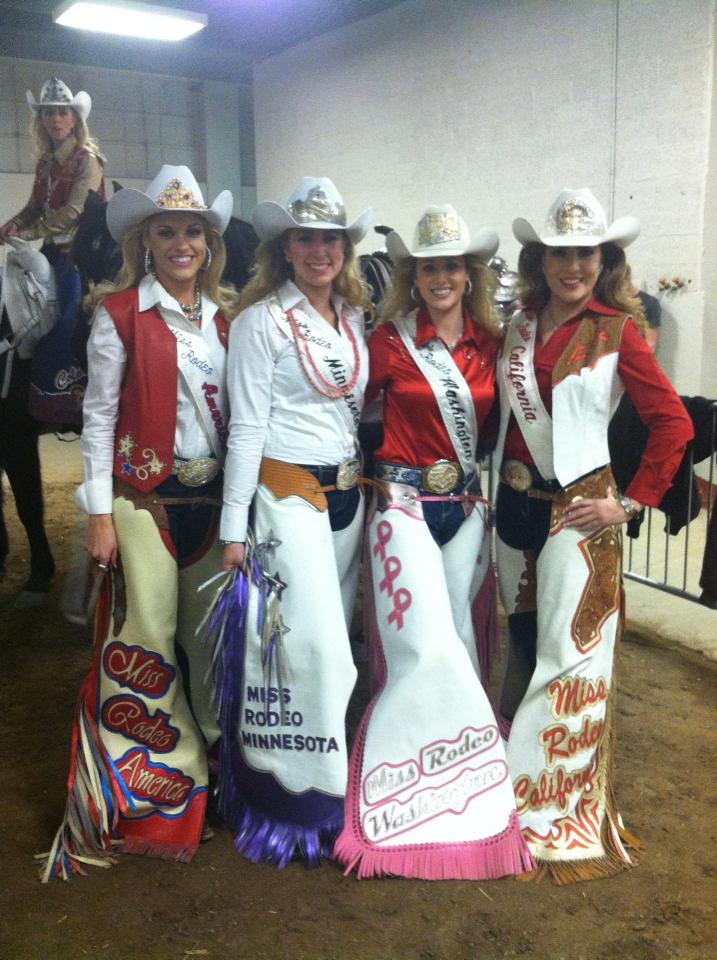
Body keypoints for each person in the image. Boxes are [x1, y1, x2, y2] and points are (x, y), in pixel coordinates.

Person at [41, 165, 238, 880]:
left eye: (193, 230)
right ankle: (166, 787)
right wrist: (97, 514)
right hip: (142, 500)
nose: (181, 242)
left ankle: (215, 776)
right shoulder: (118, 313)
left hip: (213, 503)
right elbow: (96, 419)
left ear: (208, 242)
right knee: (149, 639)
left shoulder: (227, 318)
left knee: (209, 644)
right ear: (144, 240)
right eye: (167, 231)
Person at [494, 187, 694, 883]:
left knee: (566, 658)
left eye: (583, 252)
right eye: (559, 252)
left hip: (580, 517)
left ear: (601, 259)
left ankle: (543, 808)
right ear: (540, 258)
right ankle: (507, 789)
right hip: (514, 513)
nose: (570, 265)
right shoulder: (516, 326)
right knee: (520, 647)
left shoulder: (617, 331)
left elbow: (674, 423)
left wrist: (631, 502)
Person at [334, 205, 534, 880]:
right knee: (420, 638)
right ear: (412, 276)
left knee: (461, 634)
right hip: (403, 502)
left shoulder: (492, 340)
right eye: (429, 268)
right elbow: (355, 419)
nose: (441, 277)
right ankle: (400, 765)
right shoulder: (386, 340)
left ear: (468, 273)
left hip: (467, 506)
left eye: (452, 265)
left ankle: (460, 762)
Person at [218, 176, 371, 867]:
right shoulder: (258, 322)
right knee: (318, 656)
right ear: (284, 249)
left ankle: (327, 785)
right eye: (305, 238)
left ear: (344, 248)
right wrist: (231, 528)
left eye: (329, 239)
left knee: (335, 641)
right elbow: (245, 428)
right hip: (285, 496)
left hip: (346, 497)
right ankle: (299, 806)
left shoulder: (352, 320)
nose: (319, 251)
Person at [0, 77, 105, 604]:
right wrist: (12, 224)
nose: (55, 120)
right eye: (48, 114)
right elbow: (31, 206)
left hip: (78, 254)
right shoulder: (44, 165)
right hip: (44, 250)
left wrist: (36, 232)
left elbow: (78, 212)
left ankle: (61, 388)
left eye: (62, 113)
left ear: (75, 118)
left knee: (64, 318)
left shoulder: (87, 159)